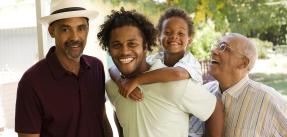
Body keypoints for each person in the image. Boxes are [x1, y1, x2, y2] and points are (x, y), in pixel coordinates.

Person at [97, 8, 223, 137]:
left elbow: (215, 110)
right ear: (109, 48)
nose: (124, 51)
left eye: (132, 44)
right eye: (116, 45)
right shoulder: (112, 86)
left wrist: (137, 80)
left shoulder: (174, 83)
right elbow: (120, 112)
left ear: (145, 46)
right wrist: (121, 81)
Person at [15, 0, 112, 137]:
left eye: (81, 28)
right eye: (65, 29)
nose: (75, 37)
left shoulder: (96, 67)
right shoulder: (31, 82)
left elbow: (102, 118)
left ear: (88, 29)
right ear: (51, 31)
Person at [190, 33, 287, 137]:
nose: (213, 51)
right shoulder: (203, 91)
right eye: (216, 46)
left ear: (243, 63)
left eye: (223, 47)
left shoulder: (268, 99)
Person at [109, 7, 203, 100]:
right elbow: (113, 68)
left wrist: (136, 81)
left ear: (189, 39)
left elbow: (177, 74)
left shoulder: (191, 62)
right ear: (159, 37)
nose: (174, 36)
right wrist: (122, 82)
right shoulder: (154, 59)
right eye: (167, 32)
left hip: (195, 112)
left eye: (180, 33)